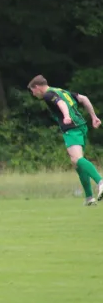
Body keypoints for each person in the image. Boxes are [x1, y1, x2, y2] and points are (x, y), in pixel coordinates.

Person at [28, 74, 103, 205]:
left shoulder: (48, 95)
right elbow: (83, 98)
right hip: (81, 126)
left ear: (37, 87)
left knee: (76, 159)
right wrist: (94, 117)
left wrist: (66, 116)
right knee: (77, 163)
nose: (33, 94)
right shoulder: (61, 91)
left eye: (32, 91)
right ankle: (89, 198)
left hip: (71, 127)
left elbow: (61, 103)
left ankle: (100, 182)